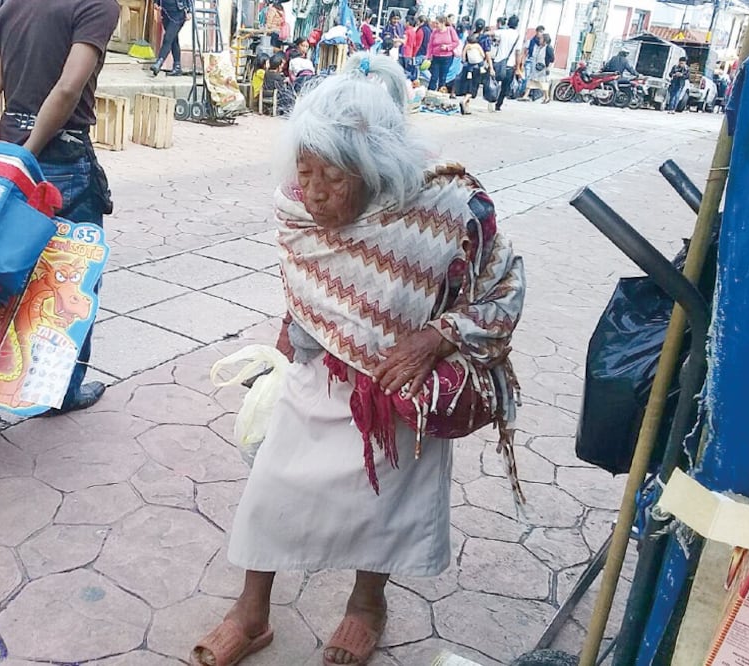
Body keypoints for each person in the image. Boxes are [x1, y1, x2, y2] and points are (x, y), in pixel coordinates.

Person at [188, 52, 525, 666]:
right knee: (272, 486)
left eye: (334, 178)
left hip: (399, 389)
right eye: (305, 171)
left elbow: (504, 285)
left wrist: (437, 337)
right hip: (319, 376)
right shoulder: (295, 210)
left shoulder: (447, 210)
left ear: (376, 170)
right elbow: (310, 284)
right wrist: (304, 321)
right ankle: (252, 613)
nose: (314, 193)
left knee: (386, 504)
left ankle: (367, 605)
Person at [0, 0, 118, 421]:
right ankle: (62, 392)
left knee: (4, 274)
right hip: (61, 161)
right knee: (73, 279)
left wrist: (0, 162)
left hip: (7, 151)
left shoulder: (14, 5)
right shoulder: (97, 5)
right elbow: (68, 88)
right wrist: (28, 157)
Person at [151, 0, 192, 76]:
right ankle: (177, 67)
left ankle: (159, 62)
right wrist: (156, 2)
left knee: (168, 38)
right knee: (173, 39)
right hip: (165, 12)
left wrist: (189, 10)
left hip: (178, 13)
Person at [491, 14, 521, 111]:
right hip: (510, 65)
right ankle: (498, 105)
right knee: (505, 87)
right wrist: (518, 67)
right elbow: (518, 53)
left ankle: (490, 100)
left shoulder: (502, 32)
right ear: (517, 25)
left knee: (494, 83)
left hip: (498, 62)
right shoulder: (517, 36)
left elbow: (489, 33)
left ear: (508, 23)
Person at [427, 16, 459, 92]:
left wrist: (448, 47)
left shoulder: (450, 30)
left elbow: (456, 42)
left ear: (443, 23)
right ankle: (430, 92)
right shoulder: (434, 31)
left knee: (443, 77)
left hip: (447, 57)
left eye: (437, 23)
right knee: (434, 76)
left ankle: (440, 93)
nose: (436, 25)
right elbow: (430, 44)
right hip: (436, 57)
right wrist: (428, 55)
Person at [521, 27, 553, 103]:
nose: (539, 40)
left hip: (542, 69)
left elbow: (552, 59)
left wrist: (548, 67)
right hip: (535, 67)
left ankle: (547, 97)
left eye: (541, 39)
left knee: (543, 83)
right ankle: (525, 95)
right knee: (531, 81)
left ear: (545, 40)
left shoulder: (548, 48)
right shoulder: (538, 47)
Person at [457, 33, 486, 113]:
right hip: (477, 68)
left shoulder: (467, 46)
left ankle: (466, 108)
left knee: (468, 86)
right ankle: (464, 101)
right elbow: (483, 55)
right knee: (473, 88)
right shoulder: (477, 46)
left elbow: (463, 56)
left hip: (469, 68)